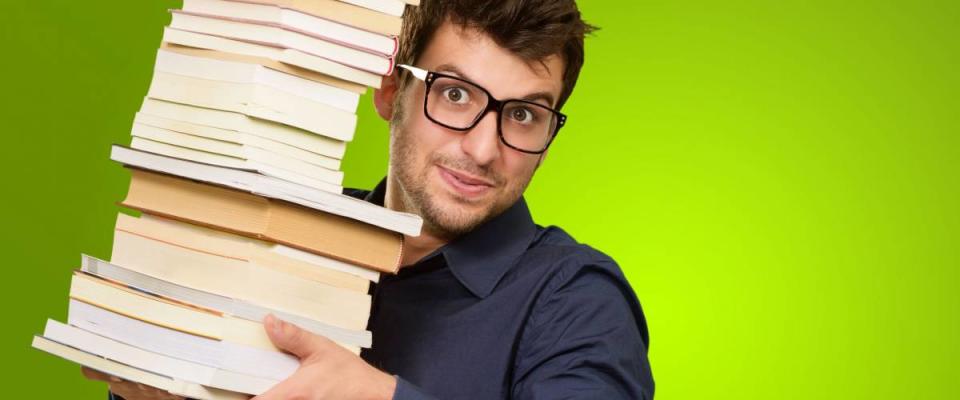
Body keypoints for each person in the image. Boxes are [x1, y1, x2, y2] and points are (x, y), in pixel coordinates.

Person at [84, 0, 655, 398]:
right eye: (454, 94)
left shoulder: (578, 300)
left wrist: (379, 397)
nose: (484, 149)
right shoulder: (281, 238)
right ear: (390, 90)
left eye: (524, 114)